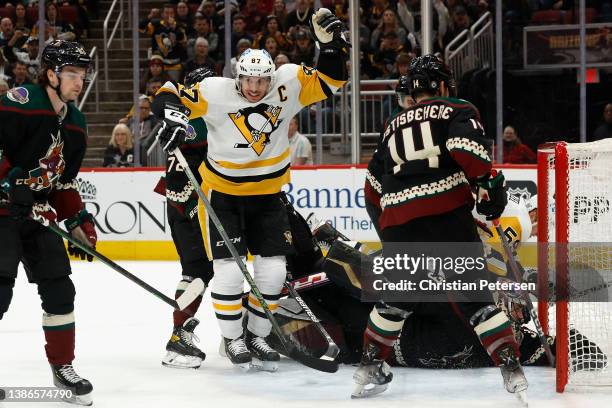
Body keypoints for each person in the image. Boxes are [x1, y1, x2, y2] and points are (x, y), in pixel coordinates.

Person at [152, 8, 349, 372]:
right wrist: (172, 117)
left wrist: (332, 48)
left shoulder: (288, 84)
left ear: (271, 78)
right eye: (249, 81)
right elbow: (167, 91)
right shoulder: (214, 91)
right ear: (237, 76)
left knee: (273, 271)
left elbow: (332, 81)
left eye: (262, 81)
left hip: (269, 195)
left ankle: (258, 335)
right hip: (223, 197)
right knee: (228, 270)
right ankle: (233, 339)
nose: (256, 89)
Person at [354, 55, 527, 402]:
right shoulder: (456, 108)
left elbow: (372, 189)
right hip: (445, 216)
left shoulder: (391, 124)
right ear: (443, 85)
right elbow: (468, 153)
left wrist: (390, 230)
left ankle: (367, 369)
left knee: (395, 299)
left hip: (398, 224)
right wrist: (488, 184)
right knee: (474, 299)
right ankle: (511, 370)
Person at [0, 40, 96, 406]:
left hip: (37, 214)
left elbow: (63, 182)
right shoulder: (21, 102)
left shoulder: (76, 122)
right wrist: (9, 180)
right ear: (52, 74)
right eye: (72, 74)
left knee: (60, 291)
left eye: (82, 75)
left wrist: (77, 220)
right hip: (2, 212)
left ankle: (63, 368)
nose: (79, 81)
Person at [156, 67, 215, 369]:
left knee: (201, 270)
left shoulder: (185, 116)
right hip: (191, 206)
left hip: (187, 204)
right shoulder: (200, 118)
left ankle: (184, 331)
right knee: (199, 271)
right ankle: (180, 333)